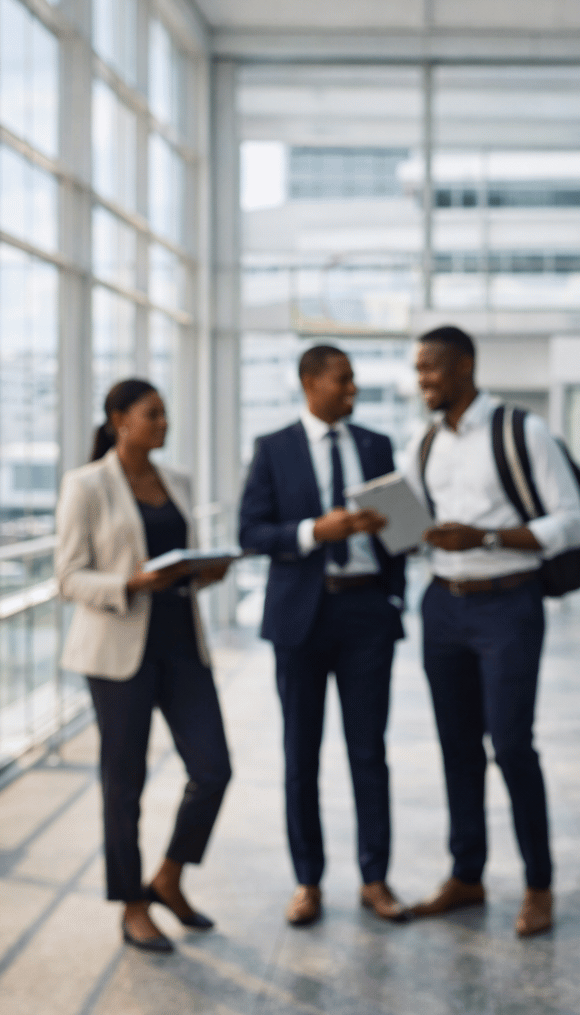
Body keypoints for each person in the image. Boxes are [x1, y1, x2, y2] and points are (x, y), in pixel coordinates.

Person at [400, 325, 580, 937]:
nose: (423, 379)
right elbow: (412, 526)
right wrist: (394, 526)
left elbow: (571, 523)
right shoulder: (424, 443)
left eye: (432, 368)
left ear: (466, 367)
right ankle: (467, 874)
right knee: (457, 747)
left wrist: (482, 537)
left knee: (509, 746)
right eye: (419, 369)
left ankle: (538, 884)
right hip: (442, 606)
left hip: (508, 603)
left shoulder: (519, 431)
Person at [55, 379, 234, 954]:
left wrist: (202, 571)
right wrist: (129, 583)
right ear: (118, 420)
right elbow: (68, 577)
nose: (164, 424)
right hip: (118, 654)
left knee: (213, 770)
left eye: (165, 414)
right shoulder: (86, 486)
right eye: (152, 415)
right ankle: (132, 905)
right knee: (123, 782)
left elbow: (179, 554)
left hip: (182, 645)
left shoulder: (175, 481)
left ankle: (169, 878)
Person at [238, 344, 409, 927]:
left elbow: (405, 535)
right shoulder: (273, 449)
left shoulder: (376, 446)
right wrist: (317, 530)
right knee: (300, 754)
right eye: (343, 380)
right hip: (301, 620)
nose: (352, 390)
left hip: (366, 613)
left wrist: (393, 570)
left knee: (370, 753)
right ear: (311, 382)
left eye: (354, 381)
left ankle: (374, 878)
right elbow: (252, 531)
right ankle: (307, 881)